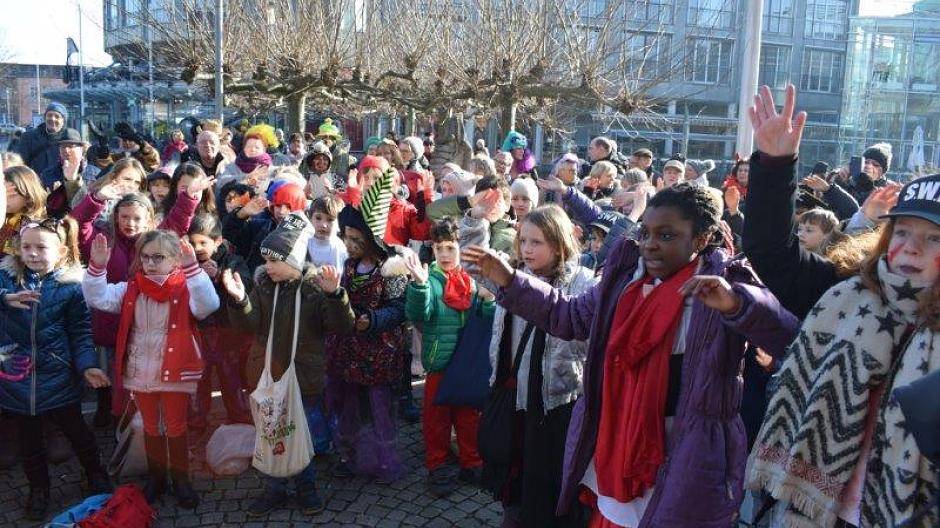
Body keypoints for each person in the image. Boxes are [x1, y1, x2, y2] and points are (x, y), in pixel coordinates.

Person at [464, 183, 798, 527]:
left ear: (700, 239)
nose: (650, 244)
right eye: (645, 233)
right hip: (618, 438)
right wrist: (510, 280)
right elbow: (569, 317)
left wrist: (737, 306)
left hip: (686, 451)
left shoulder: (726, 283)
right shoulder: (625, 277)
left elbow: (790, 340)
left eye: (666, 235)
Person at [747, 173, 940, 527]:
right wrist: (775, 165)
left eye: (934, 238)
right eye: (902, 232)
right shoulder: (848, 290)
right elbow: (771, 251)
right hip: (814, 509)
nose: (912, 248)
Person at [465, 205, 598, 527]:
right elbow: (473, 263)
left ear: (559, 243)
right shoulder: (513, 274)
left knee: (547, 478)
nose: (526, 249)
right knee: (513, 467)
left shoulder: (581, 282)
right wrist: (474, 219)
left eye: (536, 242)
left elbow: (583, 335)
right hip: (513, 393)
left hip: (556, 401)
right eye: (523, 240)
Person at [221, 212, 355, 516]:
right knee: (271, 433)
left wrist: (335, 296)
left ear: (293, 260)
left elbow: (342, 326)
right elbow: (249, 324)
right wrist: (241, 301)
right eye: (265, 260)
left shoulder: (314, 289)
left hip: (303, 379)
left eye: (273, 260)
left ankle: (306, 487)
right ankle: (275, 487)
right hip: (268, 374)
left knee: (299, 435)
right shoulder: (264, 285)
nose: (267, 266)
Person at [83, 230, 217, 509]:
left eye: (158, 257)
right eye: (145, 257)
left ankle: (180, 478)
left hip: (174, 370)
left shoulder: (185, 286)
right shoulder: (132, 287)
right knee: (151, 426)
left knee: (176, 426)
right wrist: (97, 267)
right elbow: (98, 298)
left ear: (175, 259)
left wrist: (193, 270)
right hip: (140, 370)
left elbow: (208, 305)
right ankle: (157, 477)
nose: (150, 263)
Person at [72, 173, 210, 424]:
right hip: (111, 323)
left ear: (149, 219)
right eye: (124, 217)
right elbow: (77, 224)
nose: (130, 223)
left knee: (145, 380)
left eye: (137, 218)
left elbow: (177, 222)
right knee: (114, 374)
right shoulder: (104, 240)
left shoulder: (154, 242)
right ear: (115, 217)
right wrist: (96, 199)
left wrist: (189, 198)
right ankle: (116, 417)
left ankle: (148, 423)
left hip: (147, 329)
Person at [0, 218, 113, 521]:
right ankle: (39, 489)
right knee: (30, 443)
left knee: (78, 432)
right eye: (26, 247)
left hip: (58, 376)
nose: (32, 253)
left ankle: (95, 472)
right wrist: (4, 299)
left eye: (41, 247)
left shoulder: (70, 287)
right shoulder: (5, 278)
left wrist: (87, 366)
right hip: (17, 377)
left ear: (61, 251)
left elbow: (80, 332)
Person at [327, 170, 409, 483]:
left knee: (378, 409)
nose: (348, 245)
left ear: (371, 240)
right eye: (346, 238)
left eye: (355, 240)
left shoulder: (391, 268)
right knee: (350, 406)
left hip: (379, 353)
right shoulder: (349, 266)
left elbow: (399, 310)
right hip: (349, 350)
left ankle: (384, 461)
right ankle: (350, 456)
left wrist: (373, 320)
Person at [403, 217, 495, 497]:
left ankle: (471, 461)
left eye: (450, 248)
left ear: (460, 249)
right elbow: (419, 313)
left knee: (468, 418)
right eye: (439, 248)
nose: (444, 254)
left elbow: (485, 321)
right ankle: (438, 464)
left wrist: (488, 300)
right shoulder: (430, 280)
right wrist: (419, 286)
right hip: (440, 364)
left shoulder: (470, 281)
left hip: (465, 365)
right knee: (437, 419)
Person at [186, 214, 252, 430]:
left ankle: (239, 418)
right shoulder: (187, 263)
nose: (197, 248)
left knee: (231, 379)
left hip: (227, 333)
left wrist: (219, 276)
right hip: (200, 332)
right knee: (200, 379)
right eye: (192, 243)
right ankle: (198, 420)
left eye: (203, 243)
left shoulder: (233, 261)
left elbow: (246, 285)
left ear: (218, 241)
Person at [222, 180, 307, 270]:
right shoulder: (259, 228)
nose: (281, 211)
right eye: (278, 205)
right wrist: (241, 213)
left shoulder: (306, 238)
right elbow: (229, 234)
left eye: (288, 207)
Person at [1, 166, 48, 257]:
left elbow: (11, 255)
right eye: (3, 193)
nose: (5, 199)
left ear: (28, 197)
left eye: (11, 195)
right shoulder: (6, 219)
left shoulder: (34, 226)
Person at [217, 124, 279, 193]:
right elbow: (220, 183)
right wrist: (247, 176)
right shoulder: (233, 166)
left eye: (257, 147)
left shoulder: (270, 168)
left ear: (264, 149)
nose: (252, 150)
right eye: (249, 146)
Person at [16, 102, 70, 175]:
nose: (52, 119)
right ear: (44, 118)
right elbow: (20, 164)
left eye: (57, 116)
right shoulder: (28, 138)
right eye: (49, 115)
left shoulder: (68, 140)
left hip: (61, 181)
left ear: (63, 120)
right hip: (35, 180)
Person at [307, 194, 348, 270]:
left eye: (330, 220)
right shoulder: (303, 242)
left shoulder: (339, 249)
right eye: (318, 218)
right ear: (310, 219)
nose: (323, 225)